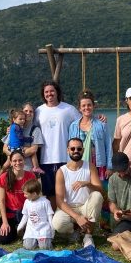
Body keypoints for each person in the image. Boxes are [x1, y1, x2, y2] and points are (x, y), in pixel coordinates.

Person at [34, 80, 81, 208]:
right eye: (46, 92)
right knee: (50, 193)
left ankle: (69, 220)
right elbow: (29, 128)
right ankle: (54, 221)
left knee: (68, 192)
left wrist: (98, 118)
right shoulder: (39, 111)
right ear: (43, 94)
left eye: (52, 91)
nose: (49, 94)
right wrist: (12, 128)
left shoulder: (68, 109)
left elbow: (83, 123)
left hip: (65, 158)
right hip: (46, 158)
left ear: (57, 92)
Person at [52, 138, 104, 248]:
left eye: (79, 148)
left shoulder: (90, 166)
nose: (76, 151)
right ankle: (75, 231)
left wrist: (87, 183)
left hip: (85, 206)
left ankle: (88, 236)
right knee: (58, 224)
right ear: (68, 150)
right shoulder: (61, 171)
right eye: (73, 148)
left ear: (83, 150)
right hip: (68, 208)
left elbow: (100, 190)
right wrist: (77, 217)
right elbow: (59, 201)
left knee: (97, 196)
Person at [68, 90, 112, 182]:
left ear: (93, 106)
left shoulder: (102, 124)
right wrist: (70, 166)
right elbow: (70, 149)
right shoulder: (73, 126)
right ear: (79, 108)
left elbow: (108, 146)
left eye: (89, 105)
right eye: (83, 106)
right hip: (79, 165)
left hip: (99, 165)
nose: (86, 108)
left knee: (99, 193)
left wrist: (109, 167)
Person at [0, 149, 37, 245]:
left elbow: (35, 198)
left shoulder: (31, 176)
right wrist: (5, 222)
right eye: (14, 161)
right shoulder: (4, 177)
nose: (18, 163)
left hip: (26, 214)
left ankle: (23, 228)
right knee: (3, 240)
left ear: (24, 161)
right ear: (10, 163)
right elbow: (2, 201)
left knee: (33, 241)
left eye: (20, 160)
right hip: (10, 214)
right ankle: (14, 230)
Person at [2, 102, 44, 172]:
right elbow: (4, 148)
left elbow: (33, 149)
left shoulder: (35, 130)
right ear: (21, 112)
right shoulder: (13, 128)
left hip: (27, 169)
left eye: (31, 111)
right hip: (13, 169)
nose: (28, 113)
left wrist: (13, 156)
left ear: (34, 114)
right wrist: (14, 155)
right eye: (26, 111)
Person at [17, 179, 54, 250]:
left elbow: (50, 216)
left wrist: (52, 230)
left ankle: (45, 241)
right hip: (31, 230)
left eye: (26, 194)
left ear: (34, 194)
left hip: (43, 230)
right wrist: (20, 226)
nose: (24, 196)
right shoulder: (27, 202)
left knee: (45, 247)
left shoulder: (45, 202)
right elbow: (25, 215)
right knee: (28, 247)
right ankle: (33, 240)